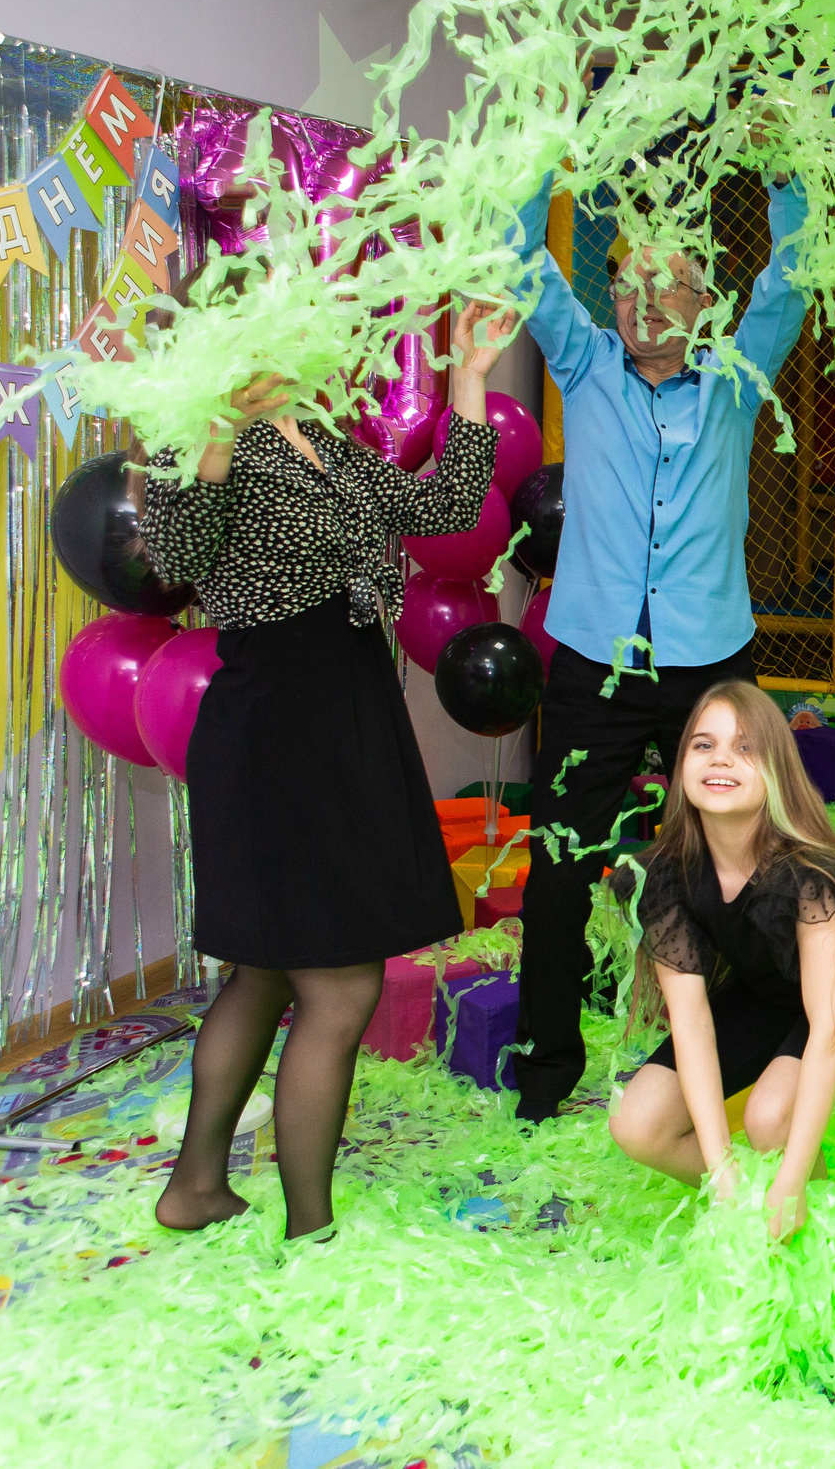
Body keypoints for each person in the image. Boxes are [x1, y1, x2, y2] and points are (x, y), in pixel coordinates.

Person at [141, 298, 510, 1239]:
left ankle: (195, 1189)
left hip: (340, 712)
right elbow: (177, 558)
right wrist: (217, 428)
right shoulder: (194, 433)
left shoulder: (329, 441)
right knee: (338, 986)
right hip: (279, 720)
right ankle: (310, 1230)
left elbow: (443, 507)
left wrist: (468, 374)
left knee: (266, 972)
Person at [501, 173, 810, 1122]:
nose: (644, 303)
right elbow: (522, 264)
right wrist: (537, 159)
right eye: (629, 283)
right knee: (559, 868)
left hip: (709, 664)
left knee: (751, 861)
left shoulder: (734, 381)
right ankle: (545, 1075)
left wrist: (789, 176)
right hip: (594, 660)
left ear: (702, 300)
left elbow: (789, 283)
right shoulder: (585, 364)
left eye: (668, 284)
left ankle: (760, 1050)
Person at [608, 682, 835, 1240]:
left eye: (745, 747)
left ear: (777, 771)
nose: (721, 758)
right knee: (637, 1123)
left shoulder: (812, 877)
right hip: (765, 985)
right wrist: (720, 1166)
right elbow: (692, 1021)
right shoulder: (660, 875)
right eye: (704, 745)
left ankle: (815, 1231)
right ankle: (753, 1205)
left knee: (771, 1118)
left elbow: (830, 1031)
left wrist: (791, 1179)